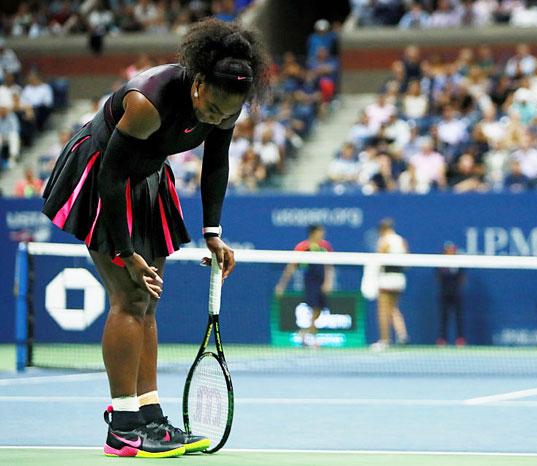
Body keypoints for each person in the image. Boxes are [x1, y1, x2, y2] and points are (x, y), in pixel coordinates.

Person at [41, 19, 268, 458]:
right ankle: (122, 426)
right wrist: (126, 252)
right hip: (101, 175)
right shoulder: (149, 101)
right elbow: (109, 175)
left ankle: (149, 416)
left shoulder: (227, 100)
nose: (219, 119)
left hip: (147, 176)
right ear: (198, 84)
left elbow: (216, 164)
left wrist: (213, 234)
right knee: (129, 298)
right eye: (214, 109)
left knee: (148, 302)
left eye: (228, 114)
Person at [275, 224, 334, 347]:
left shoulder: (325, 246)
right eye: (320, 232)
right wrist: (282, 285)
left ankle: (304, 333)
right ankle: (312, 338)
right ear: (313, 233)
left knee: (318, 311)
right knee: (314, 308)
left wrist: (328, 282)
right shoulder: (303, 247)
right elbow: (291, 266)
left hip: (322, 281)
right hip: (310, 281)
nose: (322, 234)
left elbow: (329, 266)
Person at [371, 218, 409, 351]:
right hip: (399, 278)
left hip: (387, 279)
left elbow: (378, 260)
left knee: (382, 310)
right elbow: (407, 260)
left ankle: (384, 340)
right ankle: (402, 335)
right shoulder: (401, 240)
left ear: (382, 229)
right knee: (393, 308)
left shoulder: (384, 240)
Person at [436, 242, 466, 346]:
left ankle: (460, 339)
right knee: (444, 318)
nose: (451, 251)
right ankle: (442, 339)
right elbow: (438, 277)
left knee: (459, 318)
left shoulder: (459, 263)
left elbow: (462, 278)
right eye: (448, 249)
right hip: (444, 294)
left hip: (456, 294)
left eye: (452, 249)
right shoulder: (441, 263)